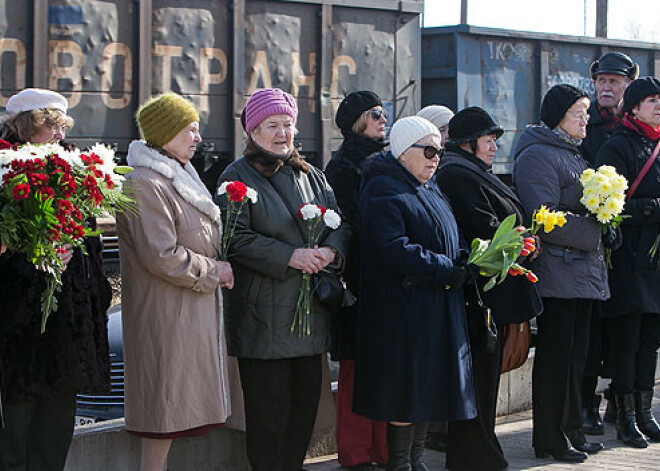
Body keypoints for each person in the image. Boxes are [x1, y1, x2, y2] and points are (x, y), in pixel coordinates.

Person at [215, 88, 348, 471]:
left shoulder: (312, 175)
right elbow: (234, 238)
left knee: (303, 411)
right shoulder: (236, 177)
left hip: (308, 320)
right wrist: (290, 255)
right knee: (268, 417)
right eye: (272, 125)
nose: (281, 133)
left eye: (287, 124)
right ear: (252, 130)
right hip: (264, 320)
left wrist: (331, 252)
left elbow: (339, 222)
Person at [117, 93, 234, 471]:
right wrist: (214, 270)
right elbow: (160, 255)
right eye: (190, 129)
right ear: (165, 133)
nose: (198, 137)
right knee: (162, 413)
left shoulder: (176, 174)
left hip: (186, 311)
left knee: (175, 410)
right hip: (166, 313)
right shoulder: (145, 183)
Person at [354, 116, 476, 471]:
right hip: (404, 310)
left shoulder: (429, 185)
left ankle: (418, 459)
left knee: (428, 389)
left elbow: (453, 230)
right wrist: (446, 268)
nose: (435, 158)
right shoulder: (383, 188)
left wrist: (465, 256)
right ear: (404, 152)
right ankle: (401, 463)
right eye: (428, 150)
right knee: (406, 393)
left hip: (435, 304)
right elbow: (392, 248)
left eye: (439, 150)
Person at [0, 88, 112, 471]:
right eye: (51, 127)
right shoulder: (6, 171)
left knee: (54, 431)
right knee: (13, 433)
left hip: (65, 323)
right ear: (26, 126)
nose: (59, 136)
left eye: (61, 127)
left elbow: (91, 243)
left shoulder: (75, 170)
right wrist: (36, 261)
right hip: (16, 327)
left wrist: (95, 299)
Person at [436, 106, 542, 471]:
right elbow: (486, 230)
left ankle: (481, 452)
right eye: (488, 140)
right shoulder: (458, 175)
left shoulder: (471, 171)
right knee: (479, 380)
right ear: (467, 144)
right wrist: (521, 241)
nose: (495, 147)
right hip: (479, 296)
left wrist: (524, 240)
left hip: (491, 293)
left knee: (485, 382)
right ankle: (474, 456)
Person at [513, 84, 610, 463]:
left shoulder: (572, 154)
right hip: (557, 272)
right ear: (557, 117)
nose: (586, 119)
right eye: (578, 113)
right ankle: (549, 437)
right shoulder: (539, 155)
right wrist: (597, 227)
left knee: (577, 358)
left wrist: (608, 216)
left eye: (586, 112)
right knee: (556, 359)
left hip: (582, 272)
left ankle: (572, 431)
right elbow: (544, 216)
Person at [324, 90, 388, 471]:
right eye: (375, 113)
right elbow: (346, 224)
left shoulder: (387, 159)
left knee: (382, 365)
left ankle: (381, 448)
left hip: (384, 277)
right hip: (358, 281)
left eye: (383, 112)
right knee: (355, 368)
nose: (383, 119)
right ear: (356, 121)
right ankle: (355, 451)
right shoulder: (343, 166)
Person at [596, 77, 660, 449]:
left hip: (654, 262)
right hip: (628, 260)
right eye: (652, 100)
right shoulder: (616, 147)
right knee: (627, 340)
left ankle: (645, 411)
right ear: (633, 107)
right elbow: (607, 208)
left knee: (650, 340)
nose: (658, 106)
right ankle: (625, 417)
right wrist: (653, 208)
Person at [580, 52, 639, 435]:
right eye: (601, 80)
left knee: (627, 330)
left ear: (628, 85)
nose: (605, 87)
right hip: (592, 241)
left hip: (632, 247)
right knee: (591, 331)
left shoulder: (635, 129)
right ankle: (586, 404)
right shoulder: (588, 127)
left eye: (614, 81)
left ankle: (623, 402)